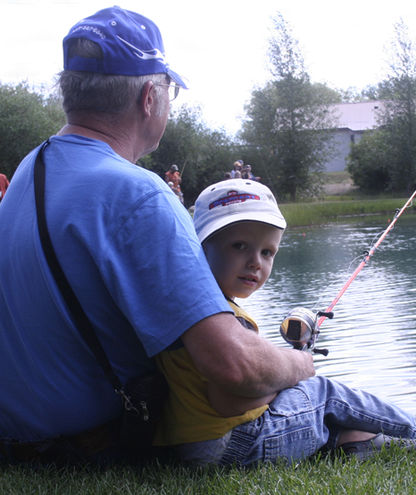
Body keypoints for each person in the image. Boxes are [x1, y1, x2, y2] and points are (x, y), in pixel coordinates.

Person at [0, 7, 313, 464]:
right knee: (315, 393)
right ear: (150, 97)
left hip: (19, 448)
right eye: (171, 92)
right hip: (99, 448)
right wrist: (300, 363)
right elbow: (235, 370)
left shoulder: (32, 168)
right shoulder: (137, 192)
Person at [153, 178, 416, 466]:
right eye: (239, 246)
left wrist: (275, 371)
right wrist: (286, 372)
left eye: (267, 252)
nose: (255, 262)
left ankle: (357, 443)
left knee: (307, 406)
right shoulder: (227, 318)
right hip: (235, 446)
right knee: (321, 392)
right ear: (201, 248)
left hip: (189, 447)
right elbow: (232, 401)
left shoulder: (187, 305)